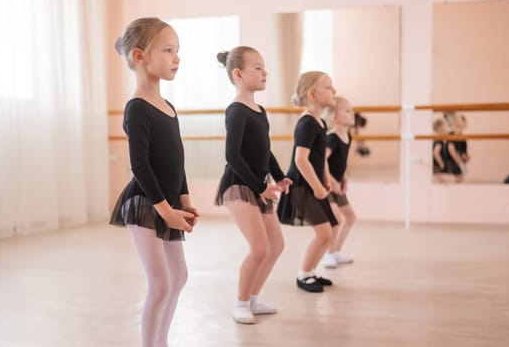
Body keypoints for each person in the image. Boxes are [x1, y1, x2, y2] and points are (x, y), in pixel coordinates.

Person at [109, 17, 198, 347]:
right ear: (139, 56)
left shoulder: (168, 107)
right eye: (168, 50)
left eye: (178, 51)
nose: (177, 58)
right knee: (160, 282)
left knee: (179, 277)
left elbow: (177, 159)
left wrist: (185, 201)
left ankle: (160, 341)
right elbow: (141, 165)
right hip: (146, 203)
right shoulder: (137, 107)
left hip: (169, 203)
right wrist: (166, 209)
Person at [215, 46, 292, 324]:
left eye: (264, 67)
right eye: (257, 67)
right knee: (259, 247)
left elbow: (265, 151)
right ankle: (240, 303)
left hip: (259, 186)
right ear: (238, 74)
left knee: (276, 245)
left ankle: (253, 299)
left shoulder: (259, 110)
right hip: (238, 186)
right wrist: (260, 188)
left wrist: (279, 176)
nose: (264, 72)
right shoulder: (236, 111)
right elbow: (232, 155)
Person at [277, 71, 338, 293]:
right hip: (302, 186)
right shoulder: (307, 124)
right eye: (329, 87)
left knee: (328, 231)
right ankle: (303, 275)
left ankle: (310, 272)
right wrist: (318, 187)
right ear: (312, 94)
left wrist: (325, 178)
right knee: (324, 233)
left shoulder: (320, 122)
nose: (334, 91)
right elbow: (300, 159)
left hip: (313, 183)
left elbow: (320, 157)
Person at [321, 96, 357, 268]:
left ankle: (336, 251)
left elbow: (342, 161)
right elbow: (323, 161)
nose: (352, 114)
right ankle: (328, 254)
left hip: (337, 183)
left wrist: (344, 177)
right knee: (336, 218)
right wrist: (331, 181)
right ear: (335, 117)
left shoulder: (347, 135)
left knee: (350, 217)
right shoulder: (332, 137)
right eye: (347, 111)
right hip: (326, 184)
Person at [432, 118, 449, 183]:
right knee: (441, 182)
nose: (446, 128)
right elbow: (436, 153)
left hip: (436, 165)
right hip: (437, 166)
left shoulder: (437, 138)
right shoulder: (438, 140)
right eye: (444, 126)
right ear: (440, 128)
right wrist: (441, 162)